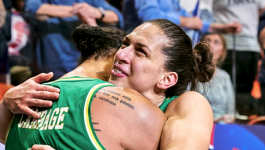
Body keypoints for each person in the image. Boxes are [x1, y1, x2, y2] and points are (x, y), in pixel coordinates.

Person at [2, 19, 215, 149]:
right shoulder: (96, 95)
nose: (121, 54)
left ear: (167, 79)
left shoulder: (188, 105)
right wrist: (8, 102)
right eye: (125, 44)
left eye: (140, 51)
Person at [24, 0, 123, 79]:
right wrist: (77, 11)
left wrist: (97, 12)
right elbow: (31, 7)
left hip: (80, 61)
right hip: (51, 63)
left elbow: (116, 16)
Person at [212, 0, 265, 115]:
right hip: (223, 43)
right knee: (221, 85)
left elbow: (264, 8)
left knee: (245, 93)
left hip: (249, 45)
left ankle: (238, 122)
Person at [198, 32, 235, 124]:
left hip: (221, 125)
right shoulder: (190, 73)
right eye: (207, 41)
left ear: (222, 51)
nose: (210, 45)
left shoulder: (224, 76)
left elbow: (231, 112)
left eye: (216, 42)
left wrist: (226, 119)